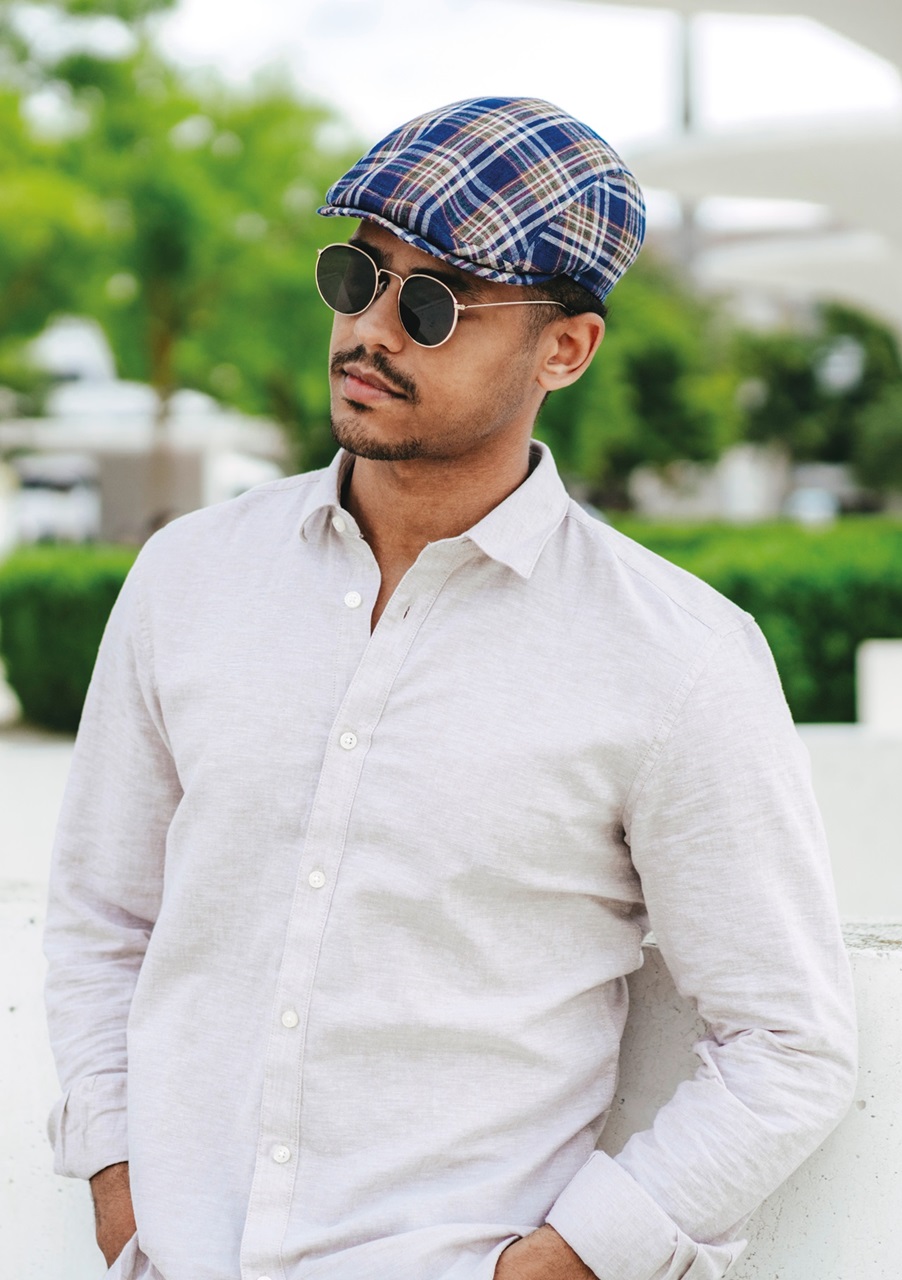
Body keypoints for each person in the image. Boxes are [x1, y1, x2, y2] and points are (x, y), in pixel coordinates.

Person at [44, 96, 856, 1280]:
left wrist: (558, 1261)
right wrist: (121, 1182)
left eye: (433, 302)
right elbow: (103, 914)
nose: (371, 329)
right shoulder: (189, 577)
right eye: (356, 276)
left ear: (564, 349)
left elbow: (787, 1041)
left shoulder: (675, 656)